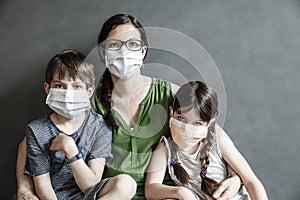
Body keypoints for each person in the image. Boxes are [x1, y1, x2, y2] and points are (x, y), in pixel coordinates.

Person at [16, 14, 243, 200]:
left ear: (143, 52)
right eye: (114, 45)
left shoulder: (169, 93)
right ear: (104, 53)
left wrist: (236, 177)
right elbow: (33, 140)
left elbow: (209, 130)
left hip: (163, 194)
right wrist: (24, 188)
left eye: (132, 44)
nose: (124, 51)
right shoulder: (90, 104)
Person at [21, 49, 136, 200]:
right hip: (55, 197)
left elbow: (90, 185)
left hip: (90, 195)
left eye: (76, 87)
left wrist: (71, 150)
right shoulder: (36, 130)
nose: (68, 93)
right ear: (48, 89)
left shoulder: (99, 127)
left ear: (89, 91)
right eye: (60, 86)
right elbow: (43, 187)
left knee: (127, 184)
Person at [145, 81, 269, 200]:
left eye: (197, 123)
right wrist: (181, 192)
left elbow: (251, 181)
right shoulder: (166, 148)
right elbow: (151, 189)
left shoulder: (217, 139)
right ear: (171, 112)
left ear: (208, 124)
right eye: (181, 118)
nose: (187, 129)